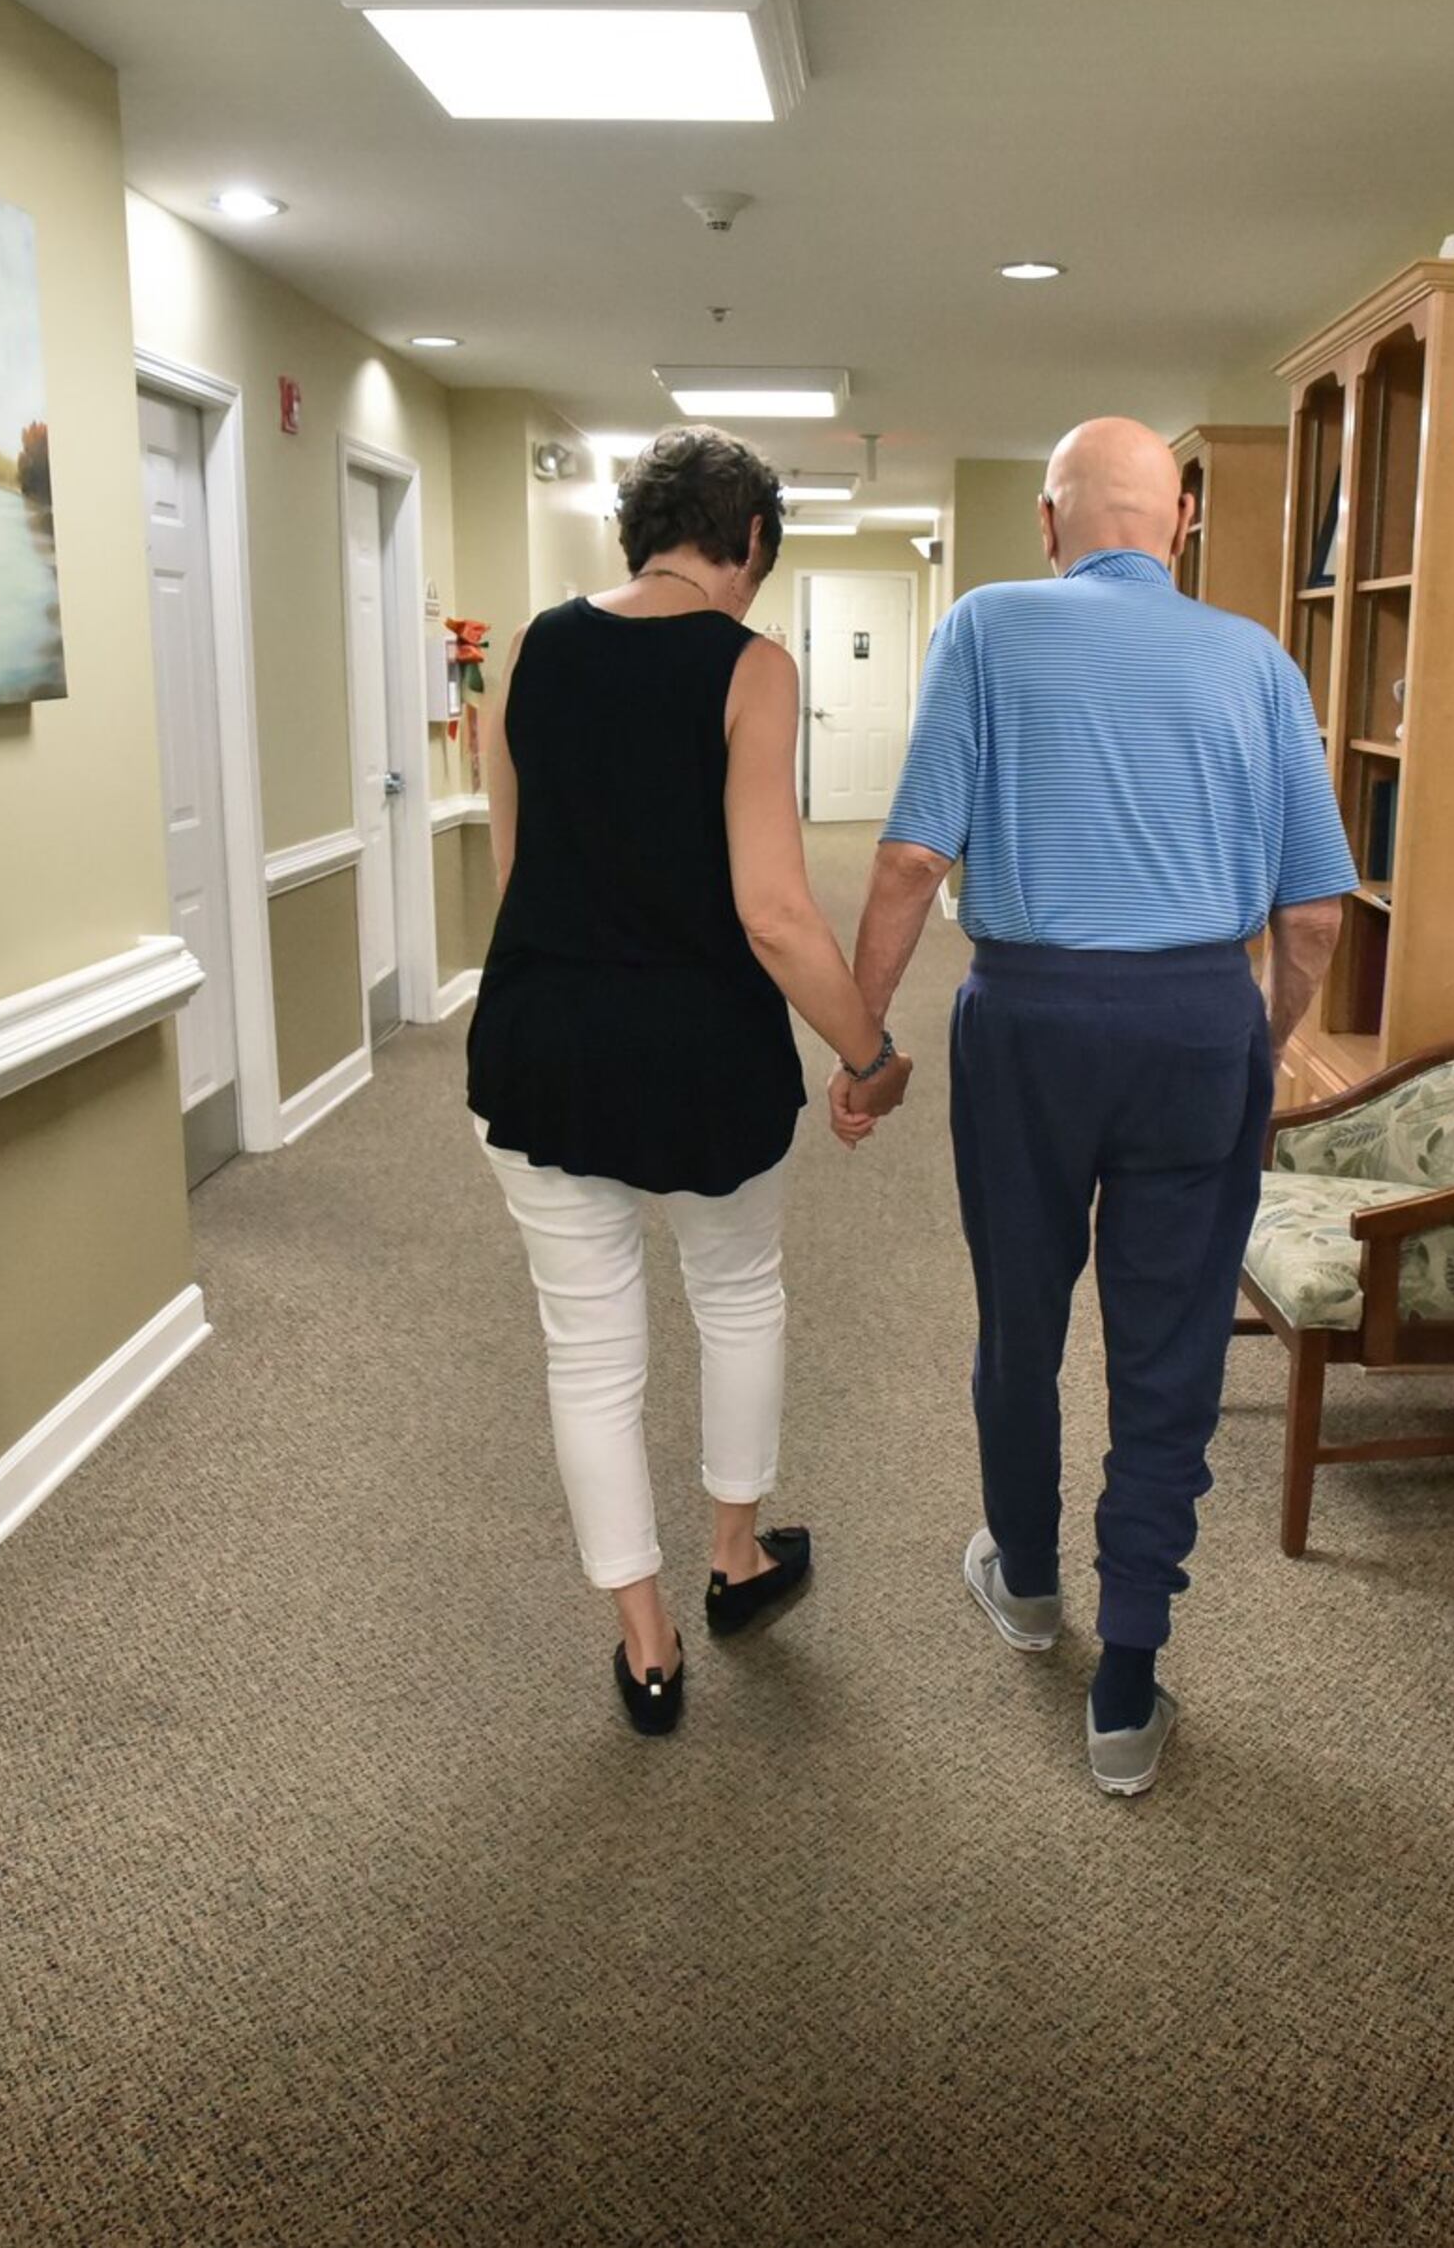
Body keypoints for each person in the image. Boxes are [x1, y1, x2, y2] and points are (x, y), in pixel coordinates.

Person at [841, 417, 1354, 1797]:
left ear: (1050, 524)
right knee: (1170, 1346)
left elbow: (905, 863)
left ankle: (1023, 1583)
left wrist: (857, 1042)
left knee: (1022, 1312)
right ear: (1177, 526)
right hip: (1198, 1024)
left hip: (1028, 1020)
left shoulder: (988, 624)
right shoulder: (1258, 656)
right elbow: (1313, 914)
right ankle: (1127, 1681)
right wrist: (1260, 1045)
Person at [468, 425, 916, 1739]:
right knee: (735, 1296)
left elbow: (514, 880)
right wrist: (870, 1055)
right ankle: (735, 1556)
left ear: (637, 531)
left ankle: (648, 1647)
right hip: (703, 1056)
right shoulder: (751, 666)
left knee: (590, 1345)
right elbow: (775, 911)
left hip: (542, 1042)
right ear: (752, 544)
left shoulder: (531, 650)